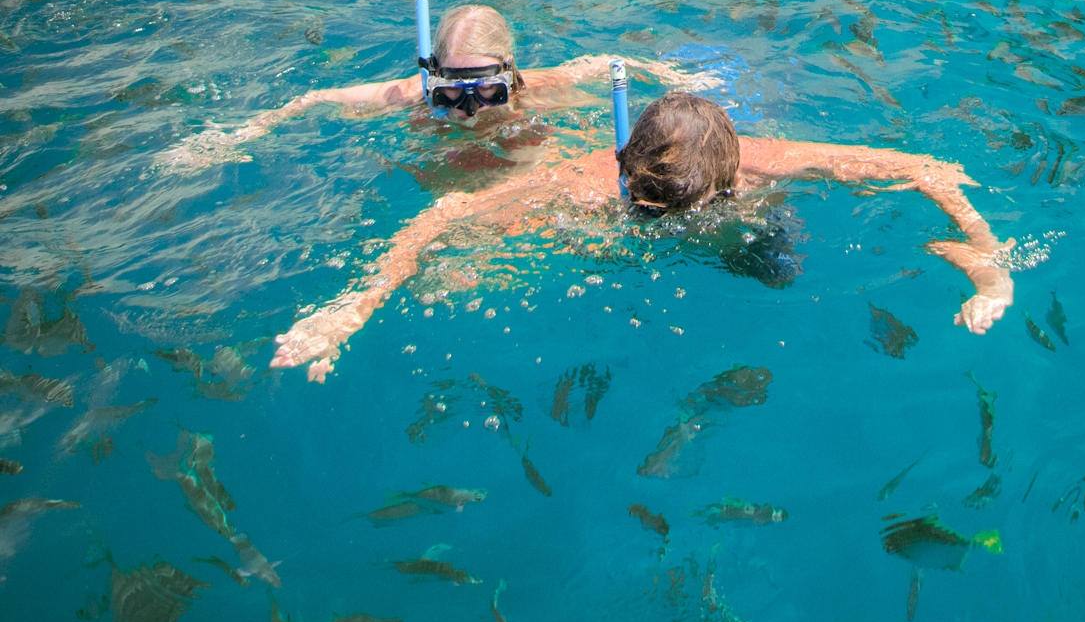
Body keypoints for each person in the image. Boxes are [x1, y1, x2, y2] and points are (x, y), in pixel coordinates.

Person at [269, 88, 1014, 381]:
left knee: (782, 276)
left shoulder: (763, 169)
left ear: (728, 181)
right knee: (457, 277)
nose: (659, 218)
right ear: (623, 173)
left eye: (679, 206)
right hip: (617, 227)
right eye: (648, 201)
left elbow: (927, 168)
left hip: (746, 234)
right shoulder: (583, 184)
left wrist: (988, 261)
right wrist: (354, 307)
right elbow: (445, 217)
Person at [156, 3, 709, 171]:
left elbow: (608, 62)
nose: (470, 109)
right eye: (451, 95)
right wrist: (234, 137)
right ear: (432, 76)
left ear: (510, 73)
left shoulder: (538, 89)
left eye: (489, 92)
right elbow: (311, 98)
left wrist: (680, 79)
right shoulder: (407, 95)